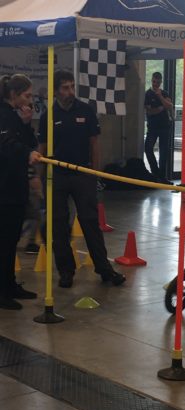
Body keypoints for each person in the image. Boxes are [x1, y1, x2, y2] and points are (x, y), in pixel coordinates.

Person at [38, 70, 125, 288]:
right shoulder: (49, 115)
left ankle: (104, 269)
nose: (70, 91)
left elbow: (94, 144)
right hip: (57, 175)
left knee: (89, 222)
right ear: (56, 91)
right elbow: (42, 148)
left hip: (82, 174)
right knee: (58, 225)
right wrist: (40, 179)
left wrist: (95, 174)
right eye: (65, 87)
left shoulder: (86, 110)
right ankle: (66, 271)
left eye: (72, 86)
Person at [0, 74, 41, 310]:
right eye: (26, 95)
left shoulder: (14, 116)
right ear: (13, 94)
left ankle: (10, 284)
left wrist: (26, 124)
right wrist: (26, 154)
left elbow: (27, 142)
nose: (29, 99)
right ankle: (2, 291)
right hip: (4, 190)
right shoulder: (3, 115)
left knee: (12, 239)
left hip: (15, 187)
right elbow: (7, 145)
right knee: (5, 242)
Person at [144, 72, 173, 183]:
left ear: (160, 82)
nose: (155, 84)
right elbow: (150, 111)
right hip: (152, 127)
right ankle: (155, 173)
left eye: (157, 82)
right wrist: (161, 108)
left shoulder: (164, 93)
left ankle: (162, 176)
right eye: (153, 81)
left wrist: (160, 96)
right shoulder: (148, 94)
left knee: (164, 152)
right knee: (148, 148)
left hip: (164, 126)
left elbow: (169, 105)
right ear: (151, 81)